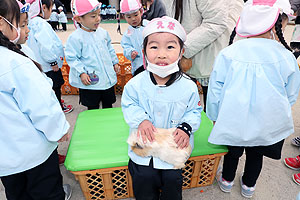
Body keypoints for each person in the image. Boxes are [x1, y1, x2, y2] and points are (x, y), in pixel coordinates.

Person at [206, 0, 300, 198]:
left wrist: (214, 116)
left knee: (232, 151)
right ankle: (249, 185)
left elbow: (215, 89)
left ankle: (227, 180)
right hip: (266, 121)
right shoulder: (286, 56)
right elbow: (291, 94)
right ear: (279, 24)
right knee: (256, 154)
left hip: (233, 118)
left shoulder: (228, 53)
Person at [121, 16, 202, 200]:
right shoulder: (136, 84)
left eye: (170, 47)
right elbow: (129, 104)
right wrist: (141, 120)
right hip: (144, 145)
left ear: (181, 52)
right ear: (144, 51)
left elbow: (194, 111)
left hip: (172, 147)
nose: (162, 54)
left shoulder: (189, 86)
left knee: (172, 180)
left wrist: (186, 127)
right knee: (143, 177)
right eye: (154, 46)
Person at [0, 0, 71, 199]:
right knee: (47, 191)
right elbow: (40, 103)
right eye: (21, 24)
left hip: (5, 161)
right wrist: (58, 129)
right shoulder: (14, 62)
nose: (27, 29)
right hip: (33, 154)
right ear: (1, 23)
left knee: (18, 194)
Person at [163, 0, 243, 112]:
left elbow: (216, 22)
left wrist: (182, 50)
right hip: (184, 56)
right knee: (184, 108)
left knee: (213, 110)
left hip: (209, 55)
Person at [65, 0, 120, 110]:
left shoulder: (103, 33)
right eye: (93, 16)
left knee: (108, 105)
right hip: (90, 80)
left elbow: (110, 49)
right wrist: (81, 73)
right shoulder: (76, 38)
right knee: (92, 106)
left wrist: (115, 62)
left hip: (106, 78)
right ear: (78, 19)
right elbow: (72, 58)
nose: (98, 18)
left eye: (99, 15)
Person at [26, 0, 73, 114]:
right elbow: (46, 44)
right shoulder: (41, 23)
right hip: (49, 65)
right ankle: (58, 107)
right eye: (51, 9)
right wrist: (53, 62)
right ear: (44, 7)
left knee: (47, 86)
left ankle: (53, 104)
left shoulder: (31, 22)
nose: (51, 12)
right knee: (55, 85)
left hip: (39, 63)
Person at [120, 0, 148, 76]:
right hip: (138, 66)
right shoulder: (127, 34)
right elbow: (126, 47)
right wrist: (130, 52)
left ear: (141, 11)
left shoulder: (148, 25)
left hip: (152, 64)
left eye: (135, 15)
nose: (133, 19)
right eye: (129, 17)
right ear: (124, 17)